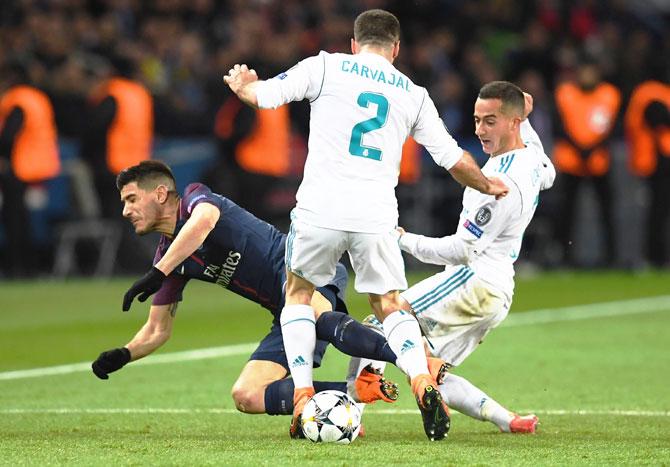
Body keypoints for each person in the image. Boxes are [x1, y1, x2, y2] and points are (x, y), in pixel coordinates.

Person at [223, 8, 508, 441]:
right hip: (375, 215)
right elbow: (453, 159)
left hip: (319, 210)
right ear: (396, 49)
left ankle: (302, 397)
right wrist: (487, 183)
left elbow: (263, 97)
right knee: (389, 304)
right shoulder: (412, 93)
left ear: (354, 44)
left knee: (298, 295)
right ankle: (420, 379)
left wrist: (244, 85)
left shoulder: (325, 65)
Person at [92, 160, 405, 419]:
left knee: (312, 312)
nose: (125, 210)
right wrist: (123, 354)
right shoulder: (171, 259)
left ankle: (409, 356)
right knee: (247, 395)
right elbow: (157, 330)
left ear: (160, 193)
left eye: (131, 199)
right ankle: (357, 388)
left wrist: (159, 271)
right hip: (283, 312)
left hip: (302, 269)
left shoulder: (194, 199)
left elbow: (205, 223)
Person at [350, 81, 555, 434]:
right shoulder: (532, 159)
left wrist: (402, 240)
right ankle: (508, 420)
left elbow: (462, 250)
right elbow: (549, 175)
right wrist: (529, 120)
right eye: (477, 120)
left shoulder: (494, 183)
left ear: (512, 122)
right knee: (426, 367)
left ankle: (349, 416)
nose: (479, 130)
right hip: (499, 293)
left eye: (490, 121)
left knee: (379, 324)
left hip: (473, 281)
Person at [552, 58, 621, 267]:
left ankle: (611, 257)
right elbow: (559, 126)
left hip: (598, 161)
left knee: (607, 210)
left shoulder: (609, 94)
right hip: (572, 162)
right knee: (567, 211)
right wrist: (580, 148)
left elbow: (613, 127)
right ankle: (564, 256)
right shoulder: (565, 93)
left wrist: (591, 149)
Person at [0, 64, 61, 277]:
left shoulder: (17, 99)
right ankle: (31, 266)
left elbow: (8, 135)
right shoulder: (37, 98)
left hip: (20, 166)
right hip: (41, 167)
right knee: (27, 219)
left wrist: (3, 156)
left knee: (15, 220)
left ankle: (17, 267)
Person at [624, 81, 670, 268]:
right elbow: (657, 117)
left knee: (656, 212)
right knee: (656, 212)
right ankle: (655, 257)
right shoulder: (652, 92)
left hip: (652, 160)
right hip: (655, 161)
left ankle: (654, 256)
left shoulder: (646, 91)